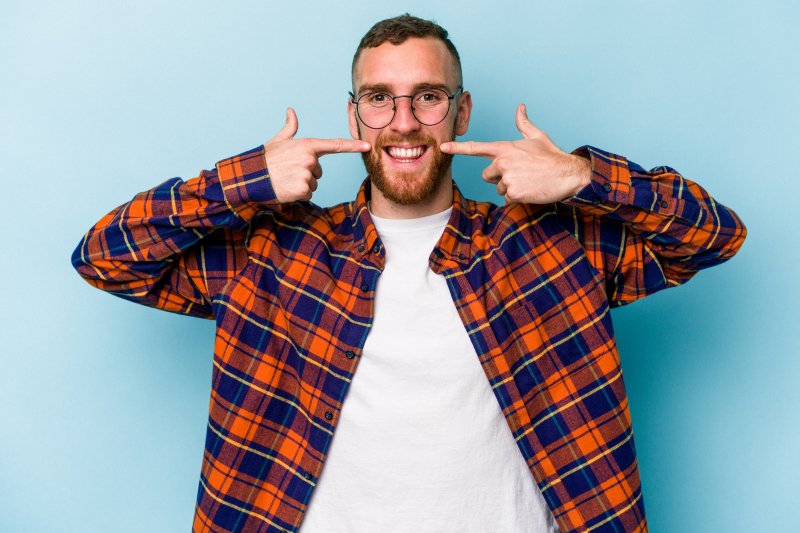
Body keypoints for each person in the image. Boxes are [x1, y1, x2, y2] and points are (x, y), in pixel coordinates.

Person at [71, 13, 746, 533]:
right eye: (379, 99)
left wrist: (579, 176)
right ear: (353, 114)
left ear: (461, 110)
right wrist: (242, 182)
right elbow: (104, 256)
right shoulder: (274, 251)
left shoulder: (547, 243)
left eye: (427, 97)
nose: (403, 122)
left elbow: (713, 236)